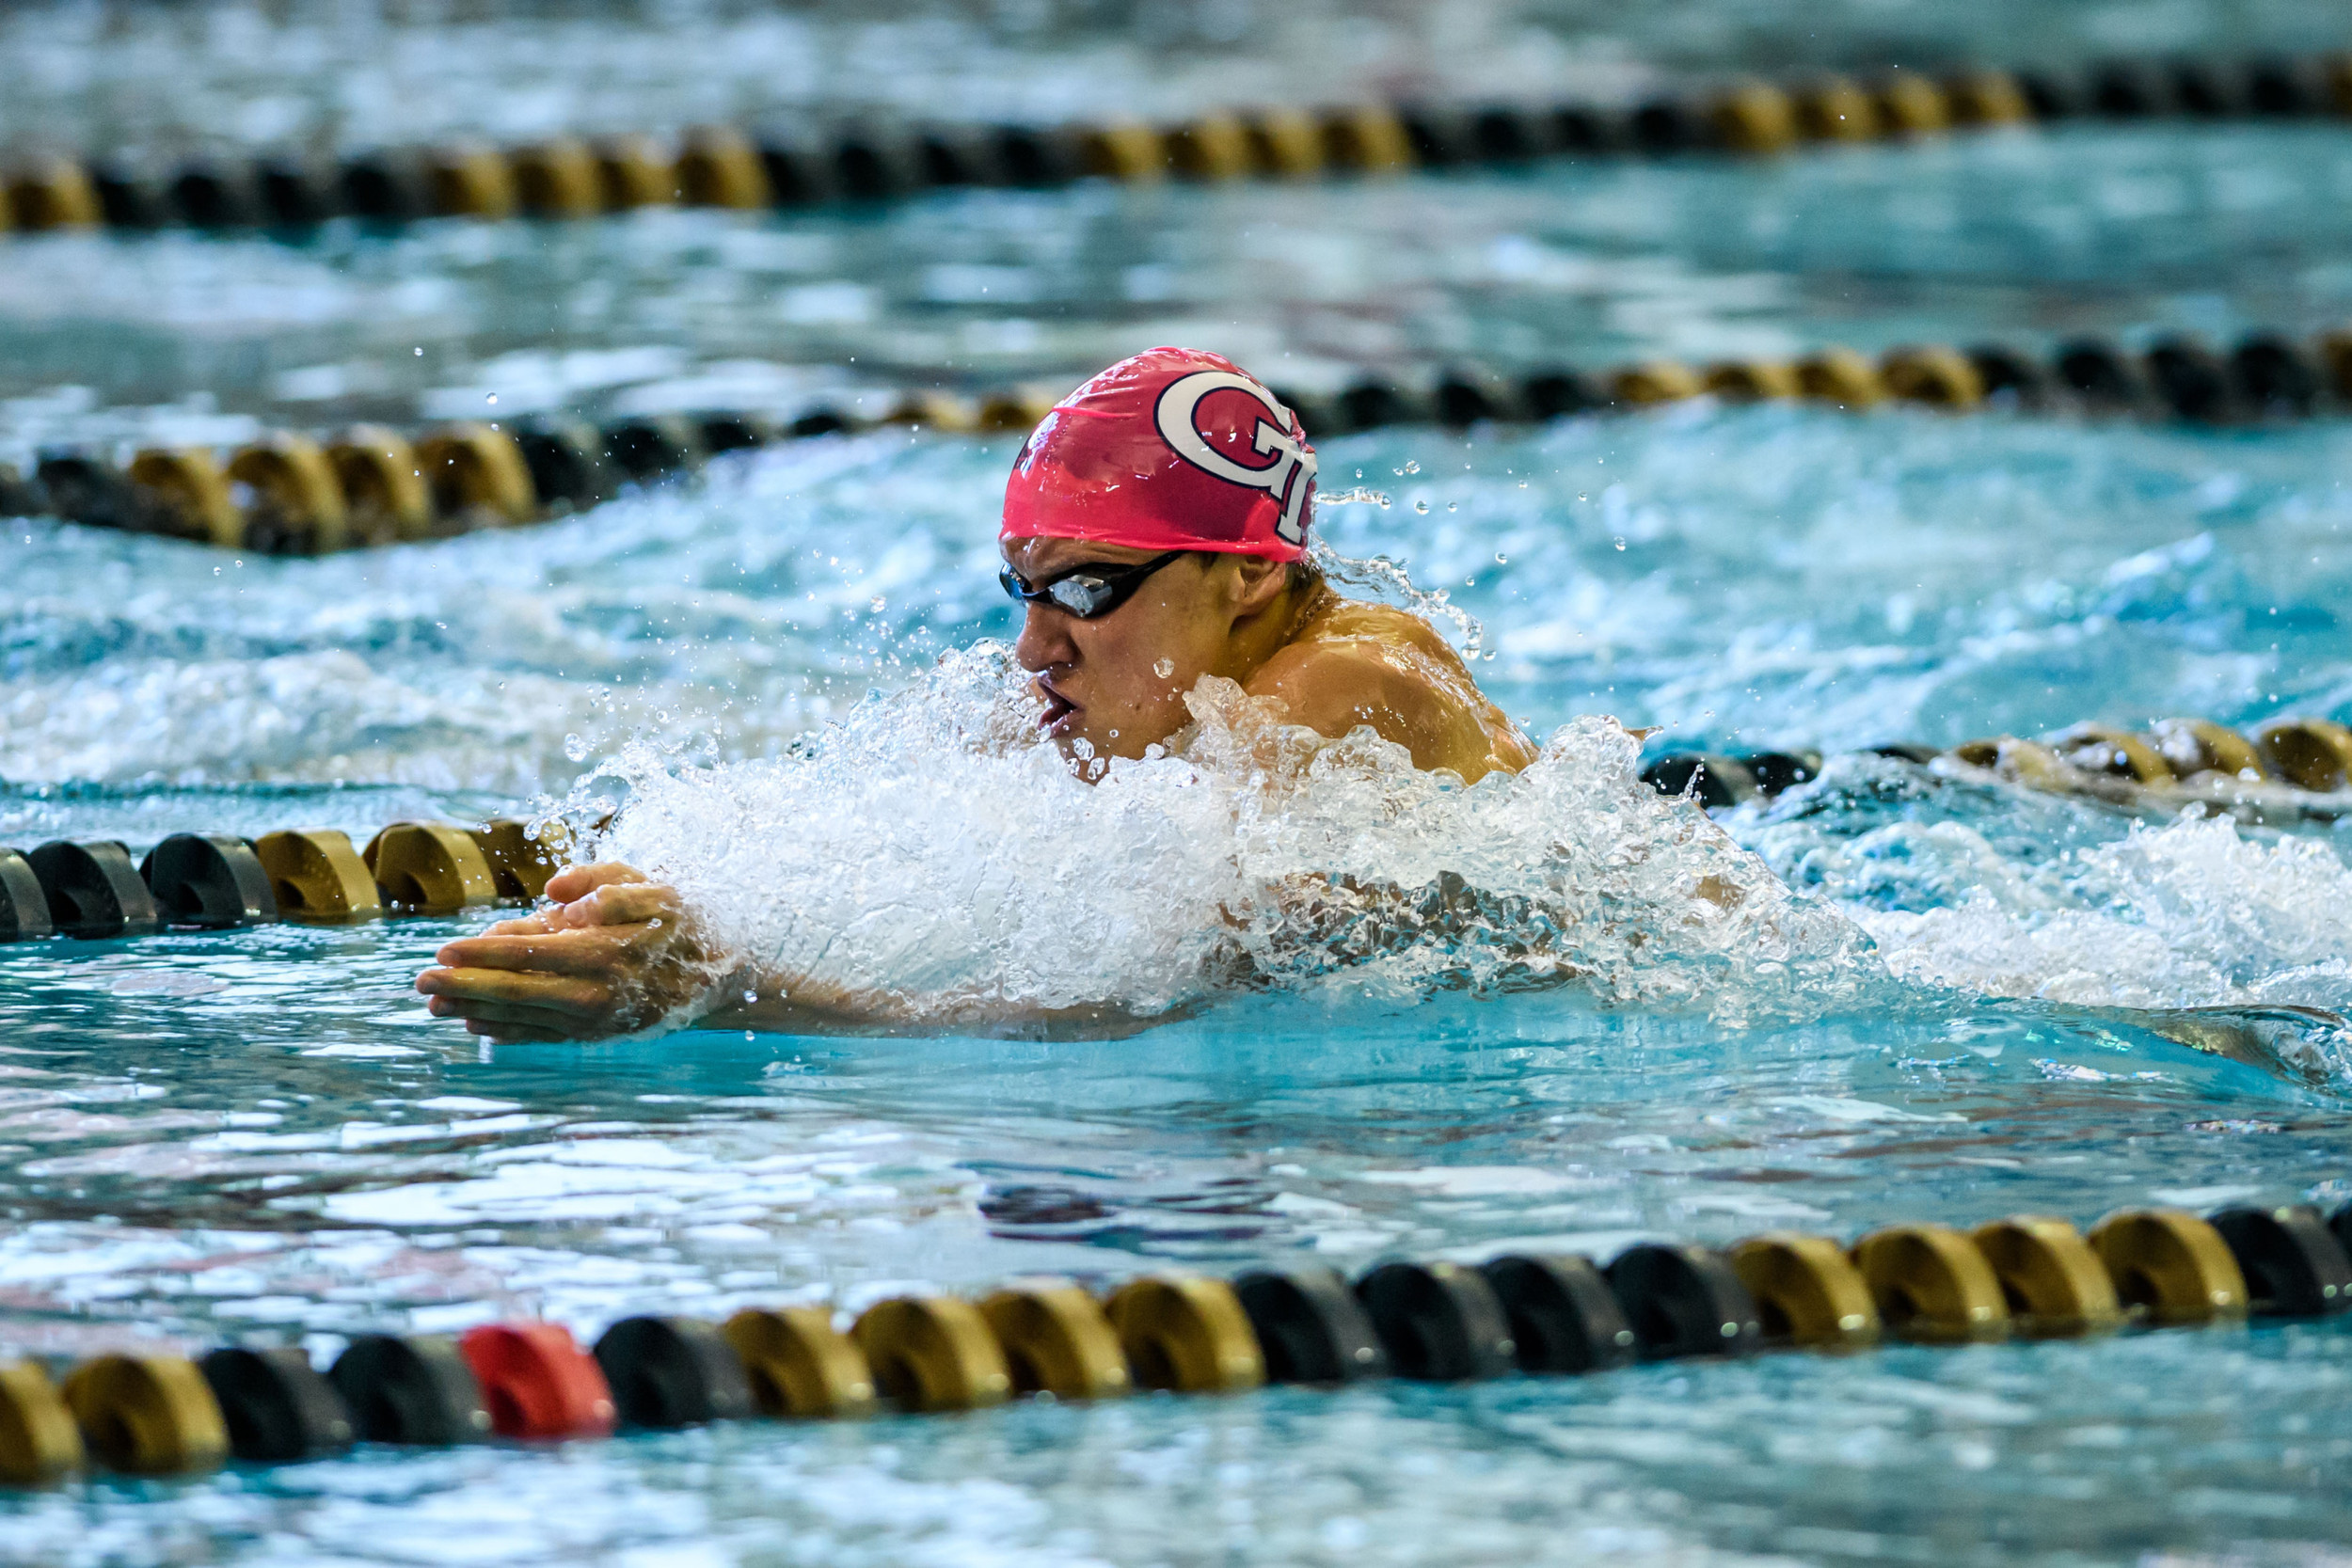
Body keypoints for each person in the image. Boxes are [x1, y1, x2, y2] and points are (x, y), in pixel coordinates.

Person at [417, 347, 1536, 1041]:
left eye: (1087, 588)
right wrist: (651, 911)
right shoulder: (1147, 693)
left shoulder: (1341, 691)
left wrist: (717, 985)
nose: (1032, 650)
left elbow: (1130, 1012)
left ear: (1245, 575)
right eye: (1024, 589)